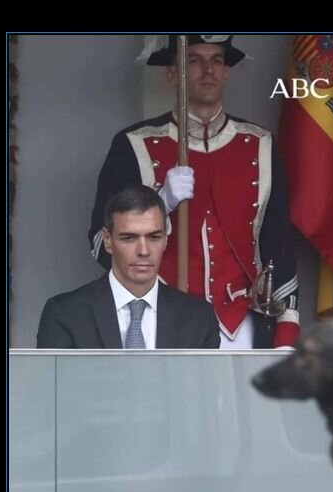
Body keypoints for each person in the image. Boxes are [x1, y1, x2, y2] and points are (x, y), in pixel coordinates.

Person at [88, 34, 300, 350]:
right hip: (161, 320)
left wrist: (285, 337)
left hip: (240, 326)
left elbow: (279, 245)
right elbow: (99, 243)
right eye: (194, 60)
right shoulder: (133, 145)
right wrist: (161, 202)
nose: (208, 69)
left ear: (227, 72)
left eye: (217, 60)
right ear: (172, 73)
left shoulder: (261, 144)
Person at [37, 185, 220, 349]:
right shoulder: (65, 314)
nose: (143, 251)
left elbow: (204, 386)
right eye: (129, 238)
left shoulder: (199, 318)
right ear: (108, 240)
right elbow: (55, 386)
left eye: (154, 237)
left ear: (165, 240)